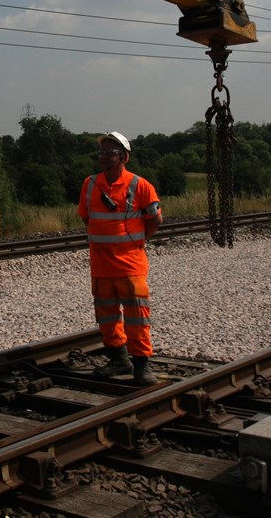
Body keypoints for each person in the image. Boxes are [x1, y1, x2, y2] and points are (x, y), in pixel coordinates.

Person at [77, 131, 163, 384]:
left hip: (130, 265)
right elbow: (86, 217)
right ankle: (118, 360)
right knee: (107, 316)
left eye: (110, 153)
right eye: (102, 153)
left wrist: (137, 241)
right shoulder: (90, 184)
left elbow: (155, 219)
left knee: (137, 317)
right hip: (102, 266)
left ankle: (141, 365)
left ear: (124, 157)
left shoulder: (139, 185)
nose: (104, 158)